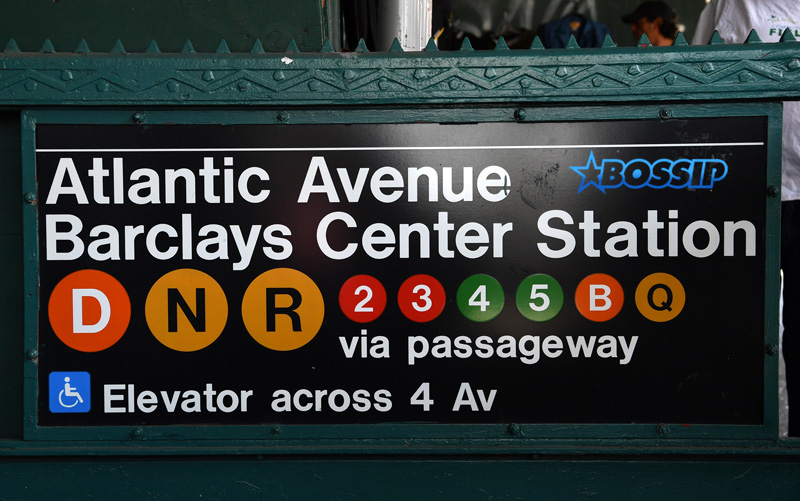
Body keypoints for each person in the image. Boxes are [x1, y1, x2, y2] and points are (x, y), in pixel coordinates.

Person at [692, 0, 800, 437]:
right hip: (745, 189)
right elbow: (694, 76)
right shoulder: (729, 3)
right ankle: (730, 439)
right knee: (732, 323)